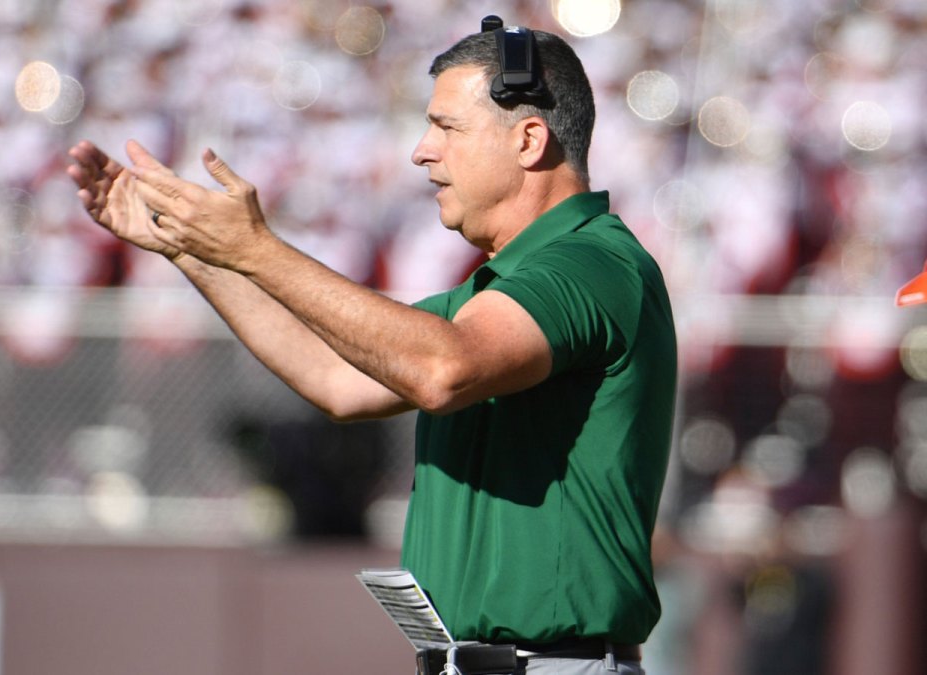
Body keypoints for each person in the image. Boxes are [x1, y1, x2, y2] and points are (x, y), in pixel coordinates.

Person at [68, 18, 676, 675]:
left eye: (447, 127)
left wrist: (256, 248)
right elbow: (337, 377)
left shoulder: (591, 261)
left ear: (529, 139)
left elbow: (442, 368)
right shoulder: (494, 292)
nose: (421, 150)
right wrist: (192, 249)